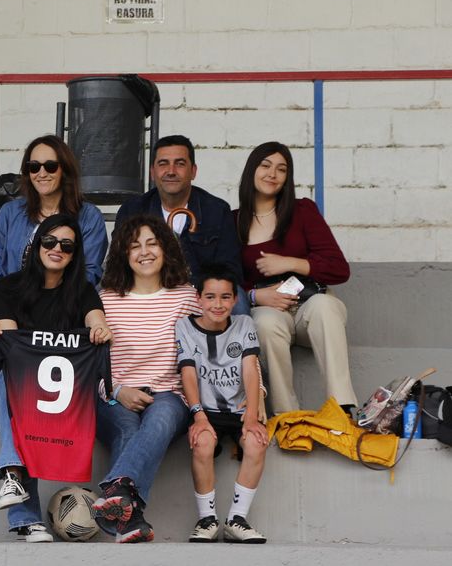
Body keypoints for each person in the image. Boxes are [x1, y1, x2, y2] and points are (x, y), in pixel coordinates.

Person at [0, 214, 112, 543]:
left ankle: (24, 515)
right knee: (20, 390)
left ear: (75, 253)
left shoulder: (82, 292)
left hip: (57, 403)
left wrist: (99, 329)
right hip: (3, 395)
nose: (57, 249)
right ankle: (13, 471)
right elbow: (12, 348)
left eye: (67, 245)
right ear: (36, 244)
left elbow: (97, 319)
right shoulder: (7, 288)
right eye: (50, 241)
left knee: (31, 406)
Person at [93, 213, 201, 543]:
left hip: (169, 393)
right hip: (113, 394)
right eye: (134, 245)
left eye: (152, 243)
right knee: (127, 428)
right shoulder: (105, 299)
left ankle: (117, 492)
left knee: (162, 416)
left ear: (166, 249)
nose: (144, 252)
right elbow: (90, 364)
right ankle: (129, 516)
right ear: (123, 254)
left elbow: (200, 353)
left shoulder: (186, 297)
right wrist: (117, 391)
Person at [235, 141, 357, 415]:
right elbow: (227, 278)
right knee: (265, 323)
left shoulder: (302, 211)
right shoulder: (233, 221)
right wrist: (255, 295)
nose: (272, 174)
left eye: (281, 169)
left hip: (308, 307)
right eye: (265, 166)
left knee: (325, 306)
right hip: (269, 311)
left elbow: (339, 269)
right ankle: (287, 415)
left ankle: (342, 407)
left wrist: (289, 263)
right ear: (252, 170)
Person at [0, 135, 108, 333]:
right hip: (8, 315)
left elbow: (87, 276)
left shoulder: (89, 216)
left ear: (65, 169)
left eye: (50, 166)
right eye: (34, 167)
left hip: (60, 320)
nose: (41, 173)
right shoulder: (10, 212)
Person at [177, 264, 268, 544]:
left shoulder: (244, 324)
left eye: (225, 297)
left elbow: (250, 369)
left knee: (256, 442)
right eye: (210, 297)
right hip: (206, 410)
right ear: (198, 298)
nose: (218, 304)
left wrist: (251, 415)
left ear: (235, 299)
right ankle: (207, 519)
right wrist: (198, 415)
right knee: (202, 442)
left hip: (238, 410)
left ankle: (236, 519)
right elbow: (188, 373)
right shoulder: (184, 326)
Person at [115, 135, 247, 314]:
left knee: (237, 298)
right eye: (163, 164)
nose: (171, 171)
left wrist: (194, 289)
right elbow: (118, 263)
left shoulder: (217, 210)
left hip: (201, 291)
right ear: (152, 172)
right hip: (146, 289)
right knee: (102, 293)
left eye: (180, 164)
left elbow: (231, 270)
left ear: (193, 171)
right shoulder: (132, 210)